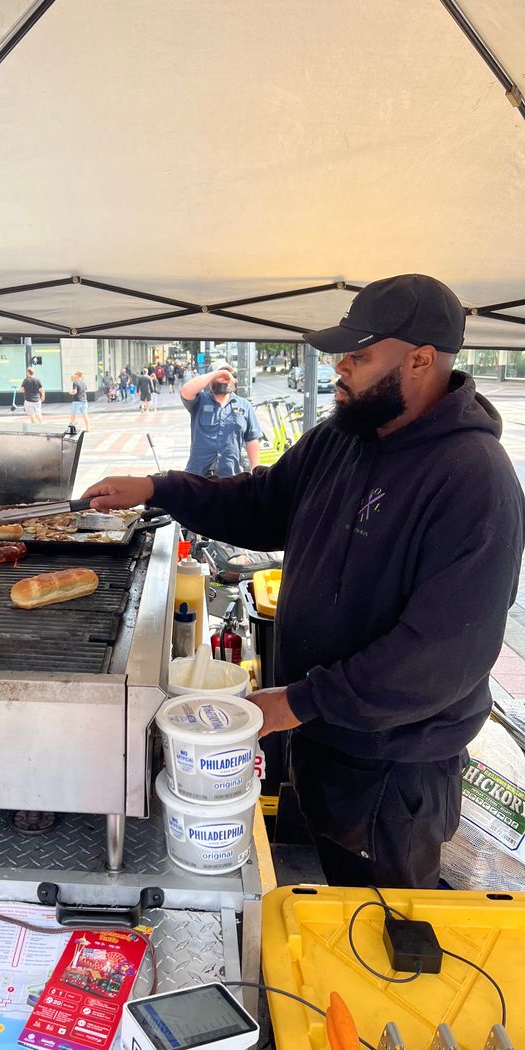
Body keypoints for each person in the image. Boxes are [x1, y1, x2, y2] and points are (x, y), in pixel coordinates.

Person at [83, 274, 525, 889]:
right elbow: (262, 504)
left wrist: (294, 703)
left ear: (421, 360)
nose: (340, 367)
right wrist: (161, 488)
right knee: (310, 894)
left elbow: (440, 656)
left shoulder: (474, 478)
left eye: (359, 355)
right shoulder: (341, 439)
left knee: (370, 925)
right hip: (315, 735)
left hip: (391, 773)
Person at [180, 359, 261, 476]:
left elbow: (252, 439)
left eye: (228, 375)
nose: (225, 378)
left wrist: (255, 470)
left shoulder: (244, 405)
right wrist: (217, 374)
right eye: (221, 375)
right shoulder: (200, 401)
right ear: (210, 379)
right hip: (198, 476)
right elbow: (185, 390)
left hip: (230, 476)